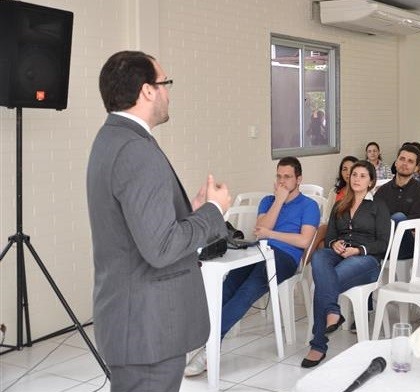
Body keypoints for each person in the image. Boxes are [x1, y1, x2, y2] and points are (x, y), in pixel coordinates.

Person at [87, 51, 232, 391]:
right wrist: (213, 211)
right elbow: (161, 247)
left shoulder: (111, 138)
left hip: (132, 322)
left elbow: (139, 224)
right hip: (148, 329)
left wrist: (191, 209)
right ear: (147, 91)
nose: (168, 92)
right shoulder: (137, 150)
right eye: (165, 83)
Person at [184, 157, 320, 376]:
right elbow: (260, 228)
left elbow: (304, 241)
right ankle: (204, 342)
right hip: (258, 250)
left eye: (287, 177)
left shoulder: (309, 205)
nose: (282, 181)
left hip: (285, 257)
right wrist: (278, 201)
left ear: (299, 179)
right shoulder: (268, 201)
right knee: (228, 286)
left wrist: (272, 234)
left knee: (247, 292)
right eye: (279, 176)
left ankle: (209, 347)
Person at [302, 161, 391, 368]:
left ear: (371, 181)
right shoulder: (340, 204)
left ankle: (318, 345)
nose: (357, 179)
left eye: (362, 176)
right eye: (354, 175)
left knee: (324, 283)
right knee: (319, 256)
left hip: (366, 260)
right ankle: (333, 311)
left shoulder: (378, 206)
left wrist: (358, 250)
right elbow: (331, 236)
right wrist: (336, 244)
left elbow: (384, 243)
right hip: (340, 254)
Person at [375, 145, 420, 259]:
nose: (405, 163)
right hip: (383, 241)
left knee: (399, 218)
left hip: (406, 245)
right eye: (402, 159)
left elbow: (416, 222)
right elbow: (375, 217)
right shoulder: (382, 190)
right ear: (396, 162)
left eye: (410, 161)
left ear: (416, 168)